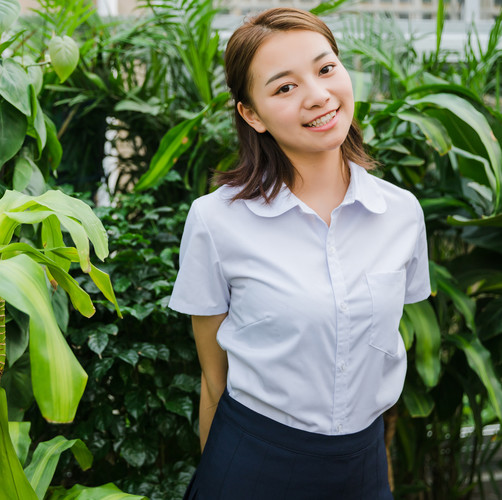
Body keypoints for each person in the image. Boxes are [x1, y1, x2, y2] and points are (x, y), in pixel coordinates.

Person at [168, 7, 431, 499]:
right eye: (284, 87)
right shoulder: (216, 220)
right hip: (252, 461)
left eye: (326, 68)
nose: (318, 95)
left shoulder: (400, 213)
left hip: (364, 465)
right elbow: (212, 378)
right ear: (252, 114)